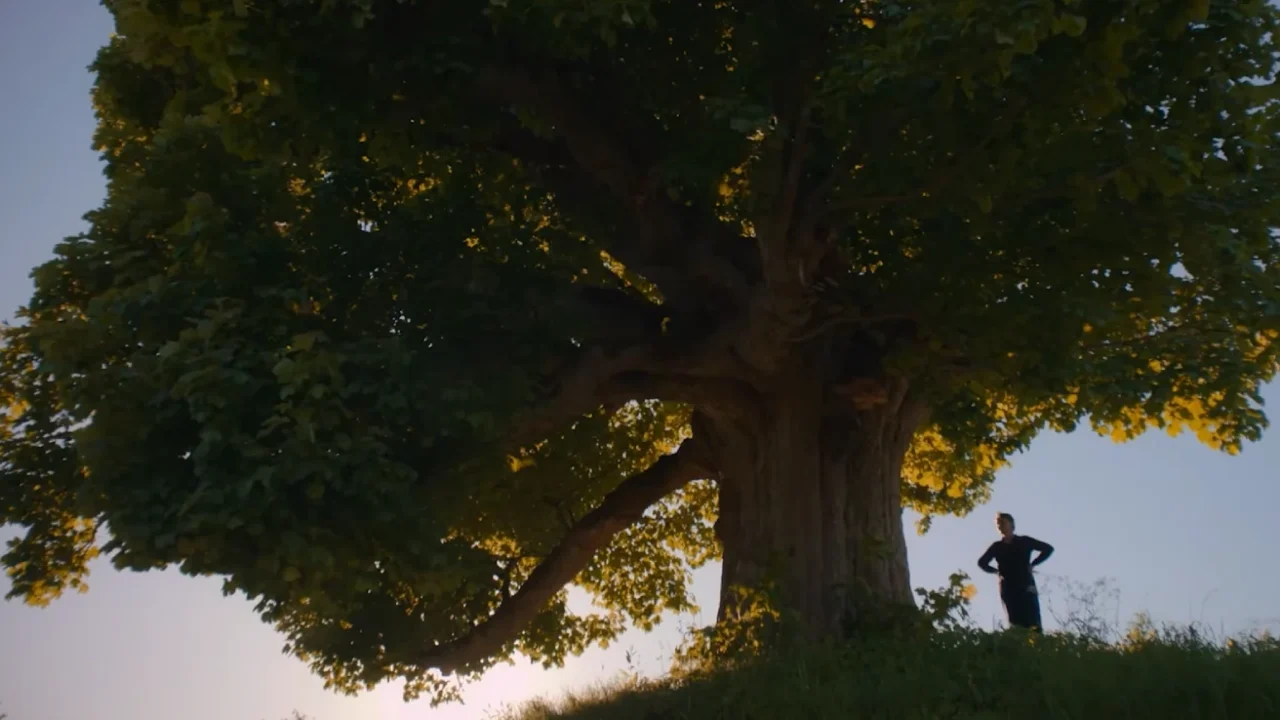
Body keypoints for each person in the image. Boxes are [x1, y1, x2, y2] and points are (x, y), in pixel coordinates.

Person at [977, 512, 1054, 631]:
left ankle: (1038, 644)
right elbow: (982, 562)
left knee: (1033, 620)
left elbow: (1048, 549)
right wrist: (996, 572)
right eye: (998, 523)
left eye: (1003, 522)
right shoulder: (997, 546)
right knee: (1015, 622)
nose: (1000, 525)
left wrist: (1033, 564)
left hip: (1026, 584)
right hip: (1008, 587)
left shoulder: (1024, 541)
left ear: (1011, 524)